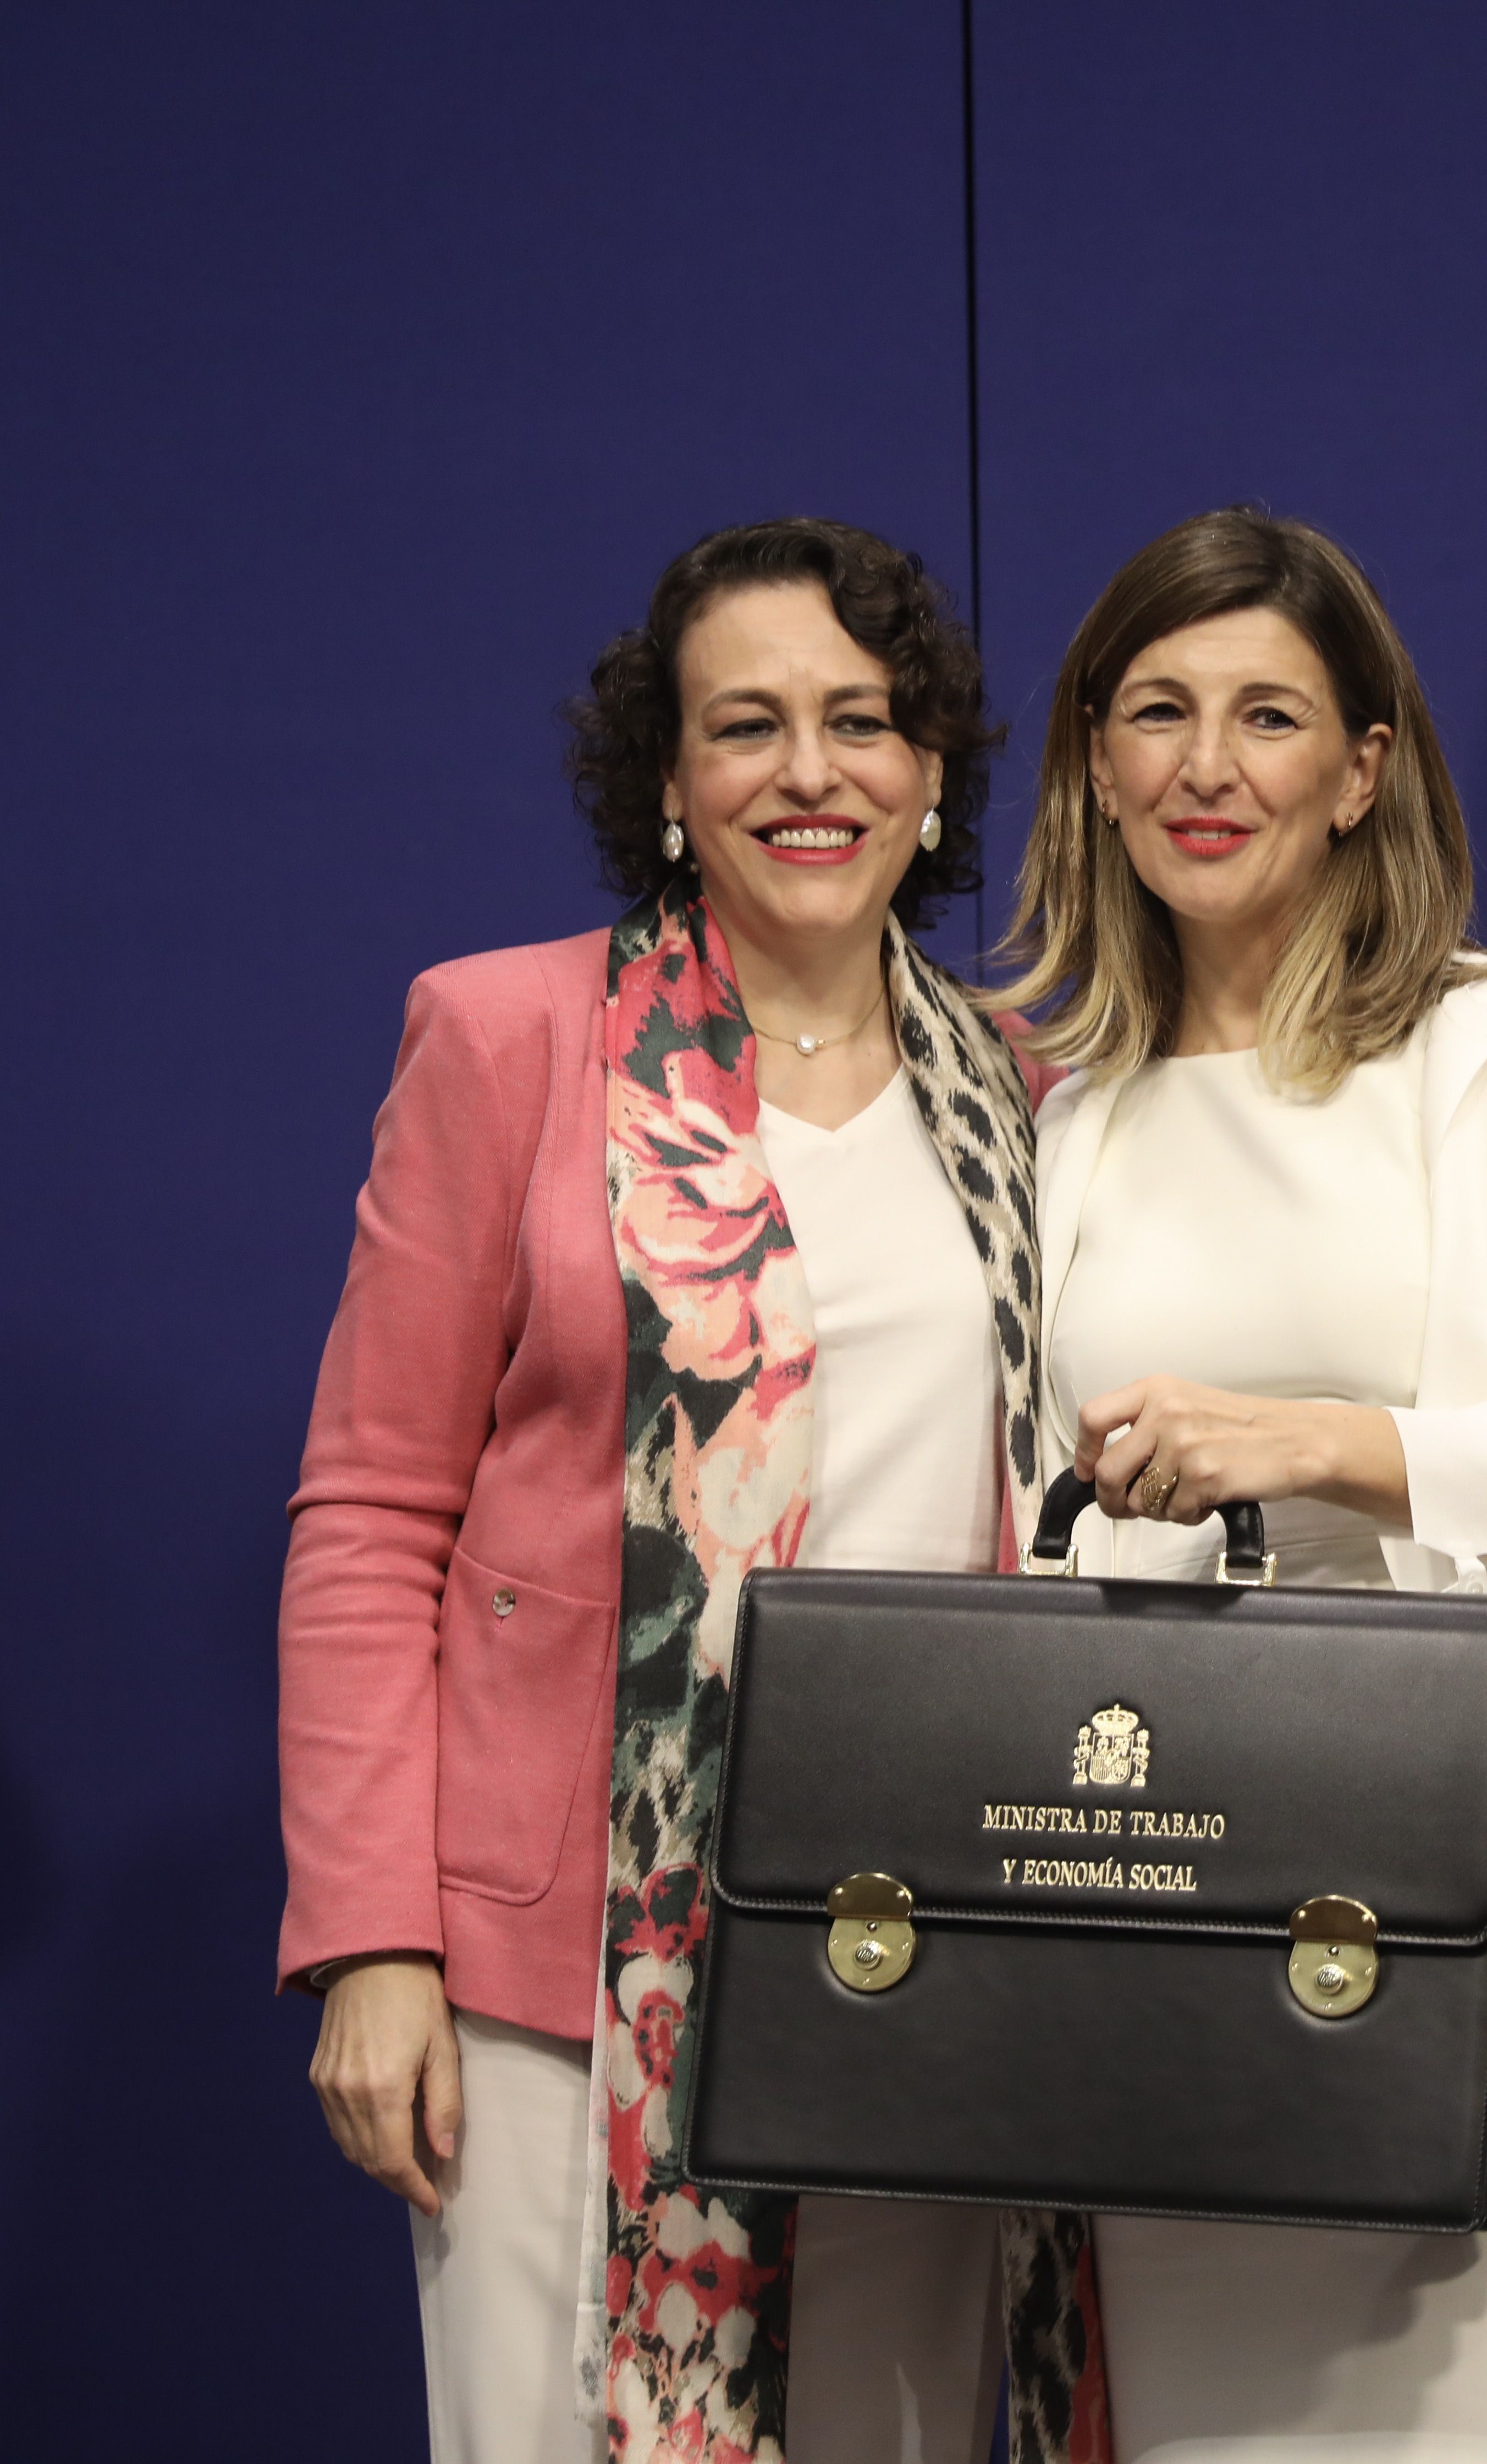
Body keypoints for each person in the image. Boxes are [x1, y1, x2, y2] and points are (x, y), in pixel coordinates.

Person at [276, 518, 1093, 2464]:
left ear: (926, 778)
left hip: (914, 1949)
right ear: (665, 780)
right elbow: (372, 1515)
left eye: (862, 724)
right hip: (573, 1974)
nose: (810, 773)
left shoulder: (1024, 1083)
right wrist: (375, 1947)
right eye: (748, 726)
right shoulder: (507, 1038)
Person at [986, 505, 1487, 2463]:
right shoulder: (1070, 1116)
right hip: (1195, 1862)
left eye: (1267, 716)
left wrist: (1317, 1443)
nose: (1206, 766)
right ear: (1094, 761)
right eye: (1154, 711)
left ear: (1362, 771)